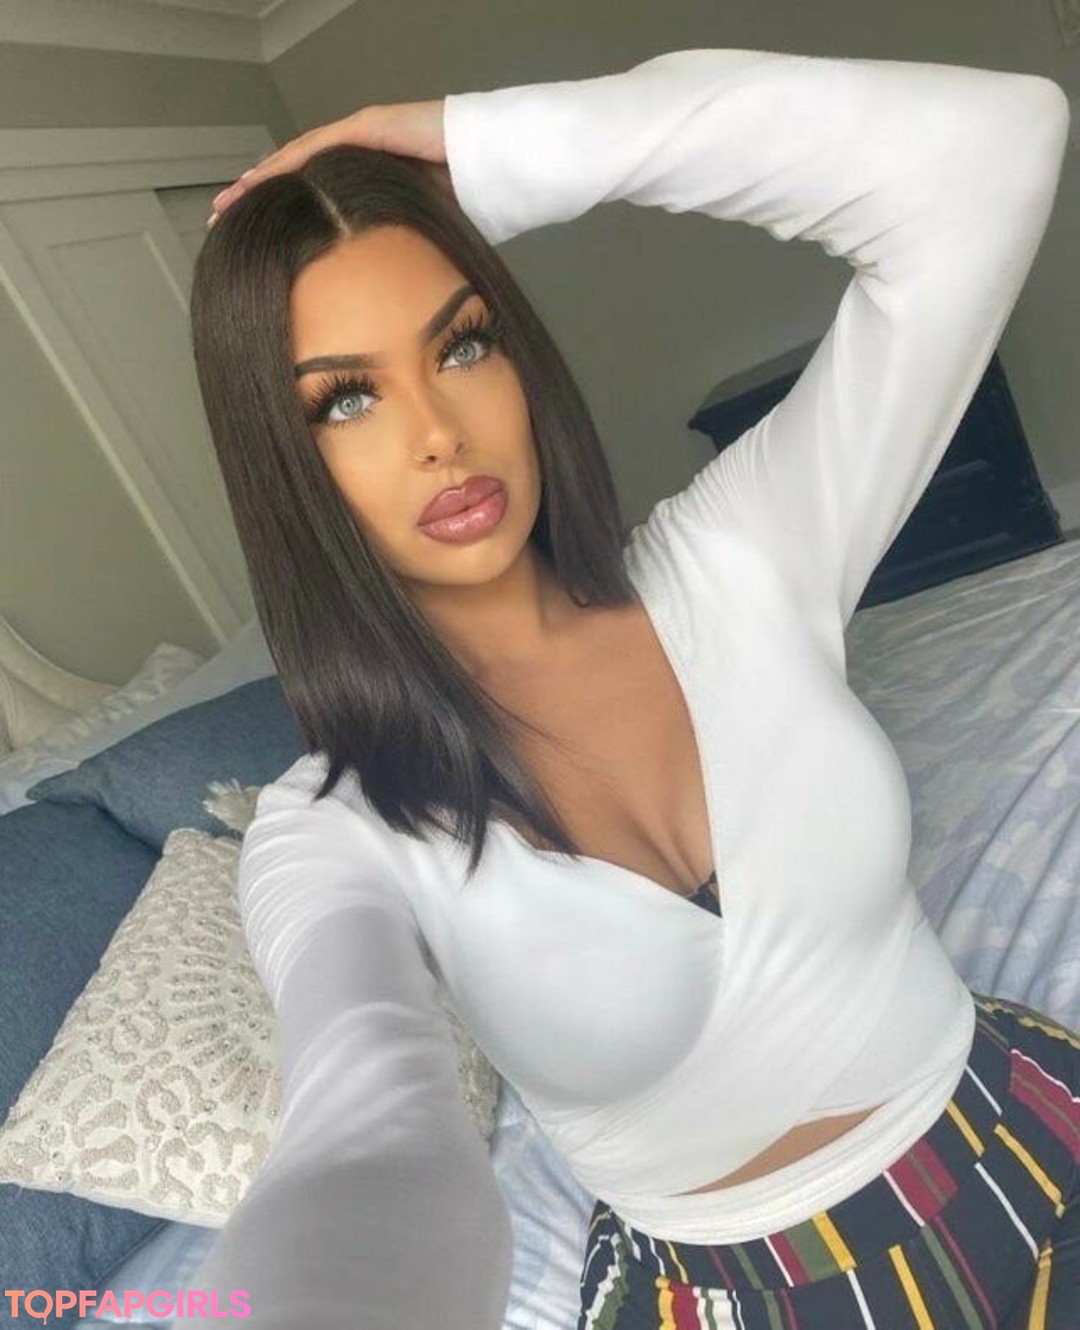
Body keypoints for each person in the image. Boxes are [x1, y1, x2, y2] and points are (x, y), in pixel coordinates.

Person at [188, 45, 1077, 1329]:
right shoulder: (332, 827)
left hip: (1017, 1147)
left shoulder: (740, 556)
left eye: (463, 345)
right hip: (733, 1296)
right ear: (284, 463)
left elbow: (998, 149)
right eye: (345, 402)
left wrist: (508, 148)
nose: (438, 432)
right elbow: (366, 1124)